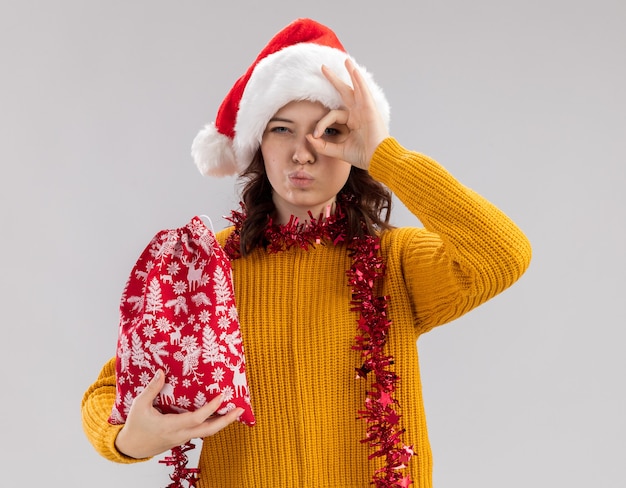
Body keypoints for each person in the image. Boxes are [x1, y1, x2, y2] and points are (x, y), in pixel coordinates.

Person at [81, 18, 532, 487]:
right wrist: (129, 440)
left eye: (329, 133)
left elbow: (502, 254)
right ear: (257, 144)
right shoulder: (205, 267)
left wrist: (385, 153)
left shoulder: (394, 263)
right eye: (282, 130)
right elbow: (108, 390)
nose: (303, 153)